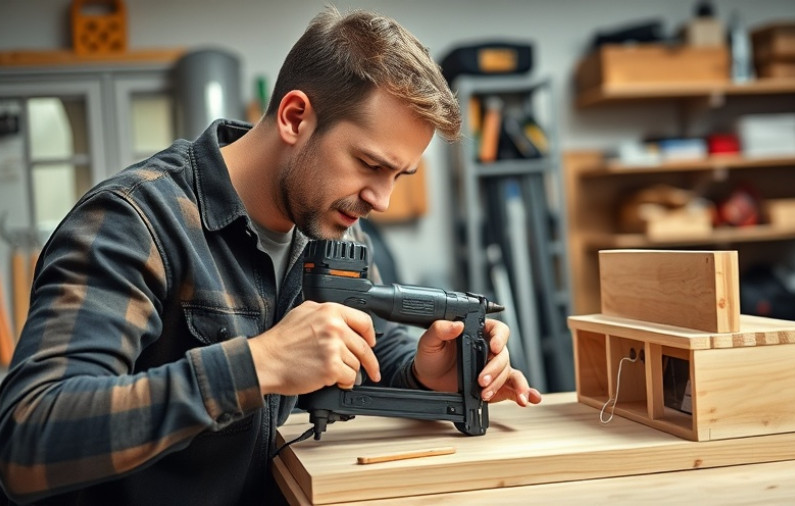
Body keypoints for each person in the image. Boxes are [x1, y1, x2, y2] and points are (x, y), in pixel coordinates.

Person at [0, 7, 542, 505]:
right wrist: (259, 364)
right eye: (369, 164)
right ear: (294, 117)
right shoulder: (135, 223)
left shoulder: (335, 232)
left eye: (399, 175)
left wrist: (428, 374)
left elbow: (373, 353)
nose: (382, 199)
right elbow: (29, 438)